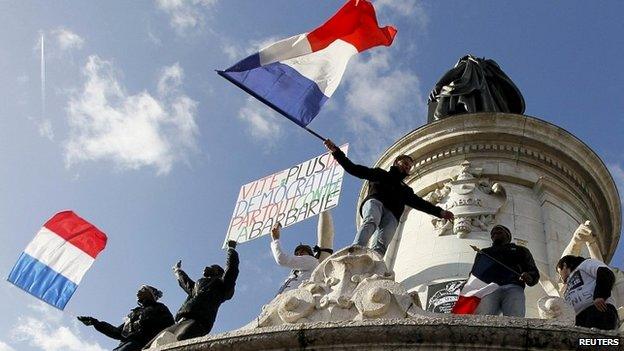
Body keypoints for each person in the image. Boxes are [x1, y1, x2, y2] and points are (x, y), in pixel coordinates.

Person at [324, 139, 454, 255]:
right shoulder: (380, 174)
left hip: (393, 214)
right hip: (376, 202)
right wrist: (336, 152)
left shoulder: (406, 190)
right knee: (371, 221)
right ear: (397, 162)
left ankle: (375, 263)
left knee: (383, 242)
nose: (407, 167)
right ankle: (356, 250)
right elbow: (353, 168)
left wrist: (440, 212)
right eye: (405, 163)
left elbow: (421, 204)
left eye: (409, 166)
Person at [160, 240, 239, 342]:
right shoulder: (197, 287)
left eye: (212, 267)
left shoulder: (222, 285)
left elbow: (231, 269)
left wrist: (231, 249)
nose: (206, 267)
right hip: (180, 320)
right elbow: (185, 282)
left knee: (178, 342)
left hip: (198, 322)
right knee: (151, 345)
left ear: (219, 273)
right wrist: (177, 270)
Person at [77, 285, 174, 351]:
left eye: (143, 290)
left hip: (143, 345)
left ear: (151, 294)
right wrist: (95, 323)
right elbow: (117, 332)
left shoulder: (159, 307)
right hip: (124, 345)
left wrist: (147, 323)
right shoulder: (133, 314)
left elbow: (170, 326)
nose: (138, 291)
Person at [474, 225, 539, 317]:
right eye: (493, 234)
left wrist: (530, 277)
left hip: (513, 287)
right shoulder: (485, 253)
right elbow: (475, 273)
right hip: (489, 289)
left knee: (515, 318)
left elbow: (532, 270)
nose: (495, 234)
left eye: (499, 232)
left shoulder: (521, 250)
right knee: (481, 318)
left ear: (508, 235)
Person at [557, 255, 618, 330]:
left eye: (559, 272)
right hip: (579, 319)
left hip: (598, 309)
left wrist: (600, 295)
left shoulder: (585, 264)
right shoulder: (567, 286)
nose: (560, 277)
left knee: (597, 339)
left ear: (564, 265)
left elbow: (605, 273)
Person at [270, 223, 319, 295]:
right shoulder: (294, 272)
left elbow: (281, 258)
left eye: (302, 252)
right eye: (297, 254)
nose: (299, 255)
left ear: (309, 254)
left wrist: (275, 240)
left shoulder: (311, 260)